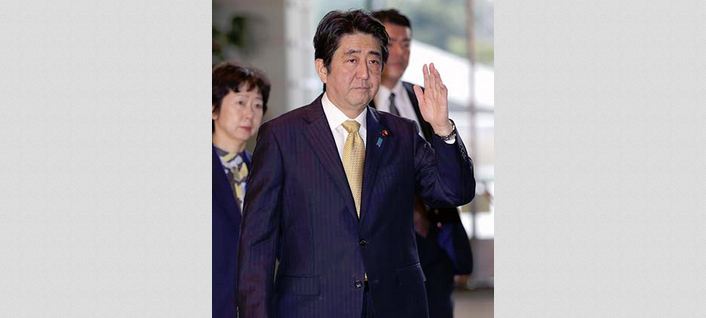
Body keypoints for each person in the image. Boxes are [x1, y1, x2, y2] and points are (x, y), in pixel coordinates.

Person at [237, 9, 475, 318]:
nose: (364, 73)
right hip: (312, 307)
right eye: (352, 60)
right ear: (322, 68)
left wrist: (443, 129)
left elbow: (453, 192)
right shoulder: (283, 136)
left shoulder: (401, 133)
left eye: (374, 61)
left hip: (397, 305)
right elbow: (257, 242)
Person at [371, 9, 474, 318]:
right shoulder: (355, 106)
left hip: (433, 239)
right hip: (383, 246)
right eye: (392, 42)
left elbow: (448, 169)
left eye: (407, 43)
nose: (400, 51)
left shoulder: (422, 98)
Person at [212, 62, 269, 318]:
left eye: (257, 105)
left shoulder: (265, 171)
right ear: (213, 109)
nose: (250, 114)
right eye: (241, 102)